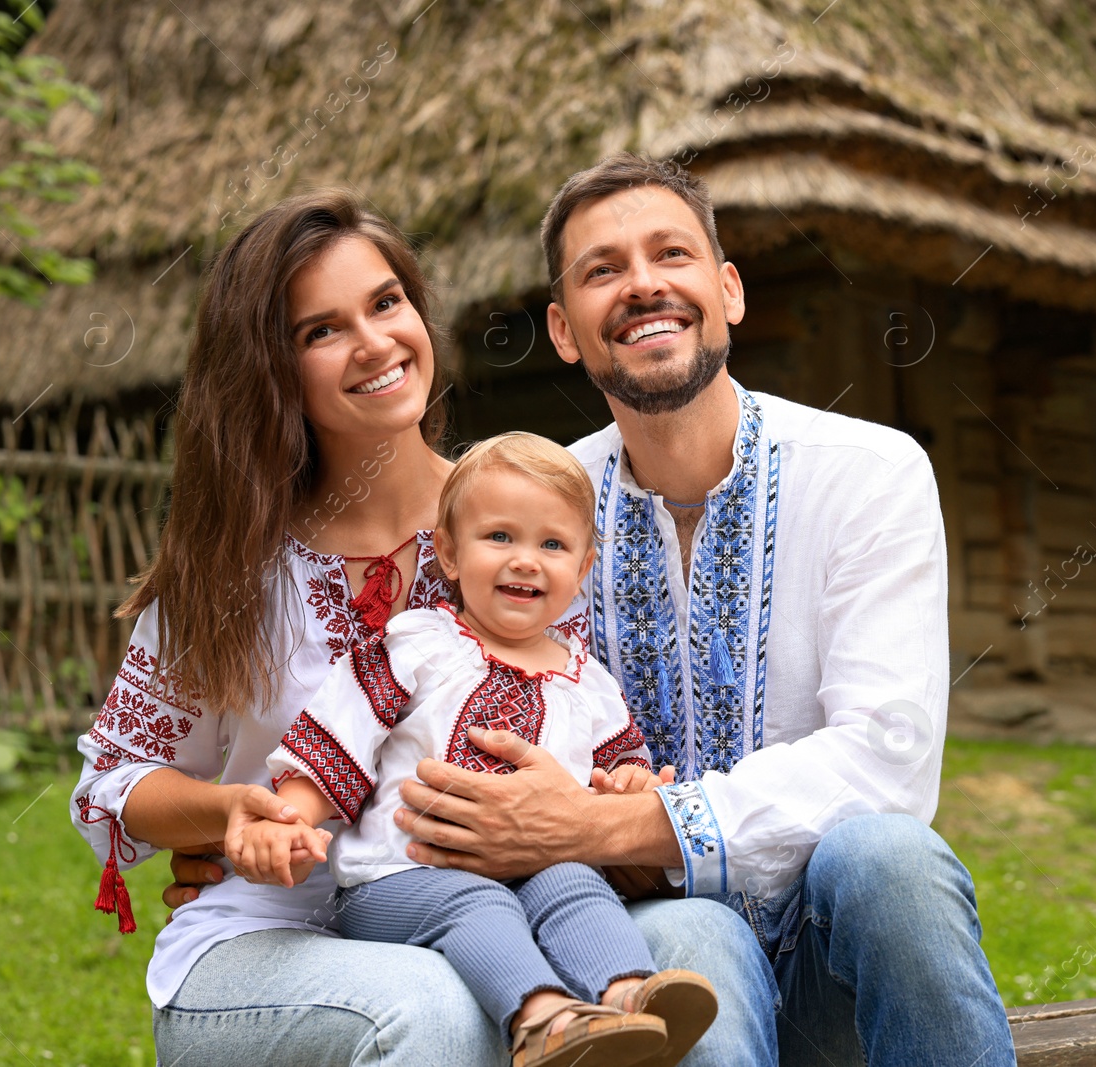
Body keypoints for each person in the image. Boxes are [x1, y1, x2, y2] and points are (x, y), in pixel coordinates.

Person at [70, 190, 774, 1067]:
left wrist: (612, 802)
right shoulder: (227, 570)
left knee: (700, 933)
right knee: (433, 1002)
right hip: (269, 938)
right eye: (319, 331)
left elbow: (595, 733)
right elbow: (114, 783)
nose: (373, 342)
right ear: (270, 367)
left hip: (520, 898)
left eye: (386, 302)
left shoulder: (528, 527)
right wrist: (231, 815)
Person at [387, 154, 1020, 1067]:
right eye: (602, 269)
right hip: (636, 957)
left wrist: (606, 823)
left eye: (671, 254)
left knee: (890, 859)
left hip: (832, 954)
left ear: (728, 291)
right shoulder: (530, 515)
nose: (643, 285)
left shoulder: (868, 471)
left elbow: (888, 763)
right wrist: (244, 825)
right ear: (564, 331)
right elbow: (405, 696)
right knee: (696, 940)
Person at [232, 432, 718, 1067]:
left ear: (583, 570)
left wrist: (631, 786)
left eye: (552, 544)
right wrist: (289, 820)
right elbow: (336, 741)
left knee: (574, 878)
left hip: (532, 867)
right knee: (477, 899)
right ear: (450, 554)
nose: (525, 560)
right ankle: (542, 1021)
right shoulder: (417, 644)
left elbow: (619, 763)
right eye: (500, 537)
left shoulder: (588, 681)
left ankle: (627, 999)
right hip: (400, 879)